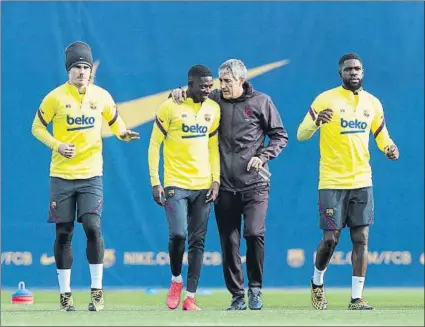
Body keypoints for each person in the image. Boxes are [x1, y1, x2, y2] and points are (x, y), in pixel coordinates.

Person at [171, 59, 288, 310]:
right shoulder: (213, 100)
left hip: (255, 184)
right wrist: (179, 91)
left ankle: (255, 289)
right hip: (224, 186)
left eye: (227, 81)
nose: (221, 86)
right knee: (229, 241)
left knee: (254, 233)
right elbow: (192, 94)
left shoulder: (261, 102)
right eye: (220, 81)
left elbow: (280, 135)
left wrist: (264, 156)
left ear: (241, 81)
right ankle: (237, 296)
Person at [31, 41, 139, 312]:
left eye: (86, 68)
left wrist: (123, 133)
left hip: (91, 175)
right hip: (62, 176)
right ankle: (66, 296)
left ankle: (97, 292)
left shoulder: (101, 96)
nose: (82, 72)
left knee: (92, 227)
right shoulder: (55, 97)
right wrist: (58, 145)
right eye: (77, 67)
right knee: (64, 233)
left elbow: (115, 120)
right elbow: (36, 128)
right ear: (69, 70)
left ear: (91, 71)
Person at [297, 53, 399, 310]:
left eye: (357, 69)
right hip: (331, 180)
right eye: (348, 69)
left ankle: (356, 297)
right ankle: (317, 282)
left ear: (363, 72)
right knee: (331, 239)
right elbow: (301, 134)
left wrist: (390, 147)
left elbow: (381, 135)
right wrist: (316, 123)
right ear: (340, 73)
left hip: (362, 180)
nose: (353, 73)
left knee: (361, 238)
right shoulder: (325, 99)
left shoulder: (372, 103)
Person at [148, 65, 220, 311]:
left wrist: (216, 179)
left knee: (198, 242)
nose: (208, 90)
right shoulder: (170, 106)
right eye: (203, 86)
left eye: (211, 86)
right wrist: (155, 181)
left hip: (203, 185)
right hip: (175, 183)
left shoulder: (213, 109)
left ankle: (190, 297)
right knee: (179, 234)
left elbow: (213, 148)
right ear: (189, 84)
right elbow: (154, 145)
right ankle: (176, 280)